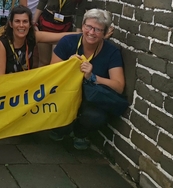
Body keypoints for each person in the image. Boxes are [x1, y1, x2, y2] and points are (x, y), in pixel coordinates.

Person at [50, 9, 125, 150]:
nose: (91, 32)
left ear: (105, 33)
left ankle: (80, 132)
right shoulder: (68, 42)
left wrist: (93, 77)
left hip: (91, 99)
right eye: (88, 27)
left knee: (95, 117)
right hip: (66, 94)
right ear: (83, 26)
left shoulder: (111, 52)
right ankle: (62, 128)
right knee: (59, 127)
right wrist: (66, 65)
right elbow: (51, 72)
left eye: (98, 30)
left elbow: (119, 86)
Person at [0, 5, 76, 75]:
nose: (21, 25)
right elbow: (0, 79)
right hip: (9, 88)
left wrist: (83, 34)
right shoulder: (2, 43)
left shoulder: (32, 36)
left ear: (30, 24)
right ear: (11, 24)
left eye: (25, 21)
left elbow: (59, 37)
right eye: (17, 21)